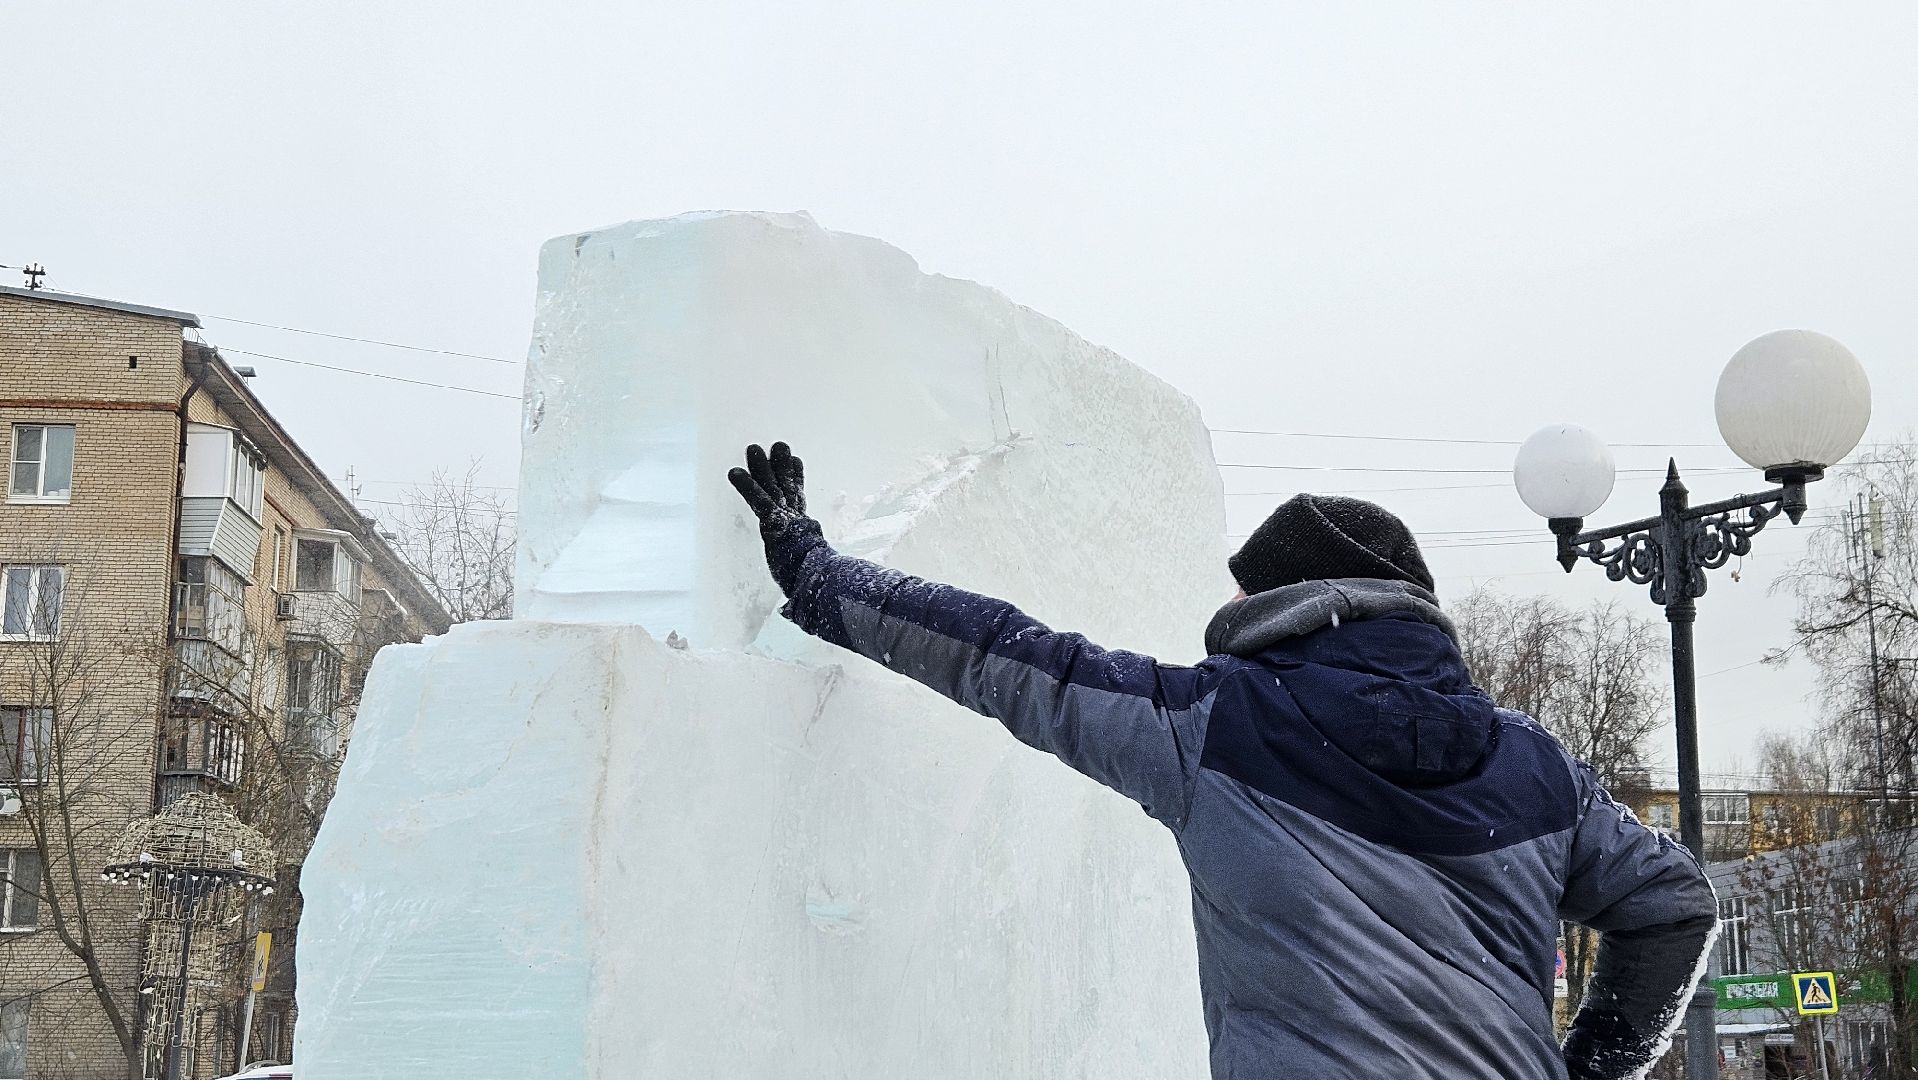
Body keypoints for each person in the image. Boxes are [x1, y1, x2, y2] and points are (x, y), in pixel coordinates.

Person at [729, 442, 1717, 1080]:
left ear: (1280, 604)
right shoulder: (1533, 764)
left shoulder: (1218, 725)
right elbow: (1675, 906)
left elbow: (1012, 660)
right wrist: (1592, 1067)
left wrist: (820, 580)